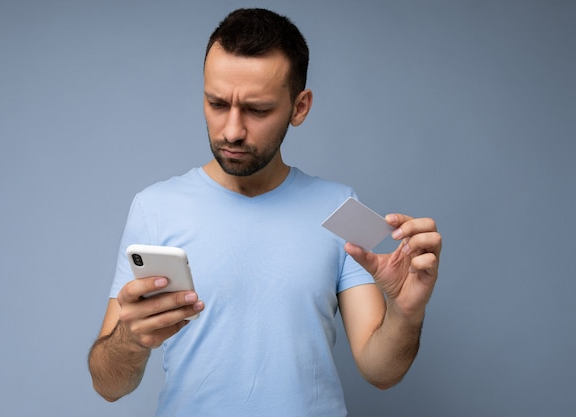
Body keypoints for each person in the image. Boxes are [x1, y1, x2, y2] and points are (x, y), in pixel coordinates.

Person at [88, 8, 442, 417]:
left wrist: (406, 312)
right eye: (217, 103)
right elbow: (108, 386)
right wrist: (130, 340)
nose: (232, 130)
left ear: (300, 107)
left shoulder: (342, 208)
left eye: (257, 110)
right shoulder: (155, 208)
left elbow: (381, 371)